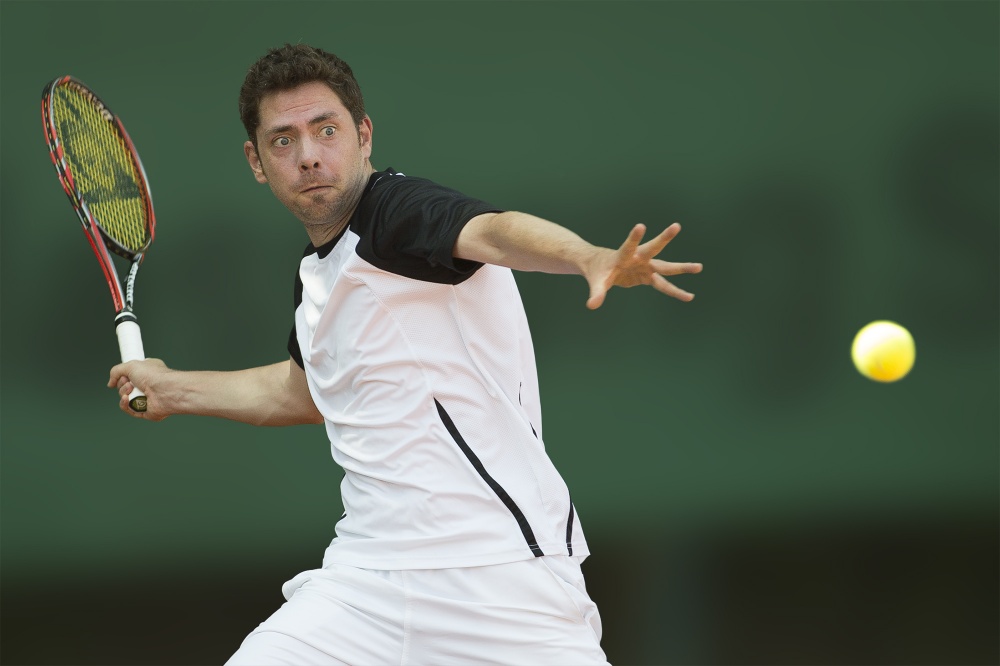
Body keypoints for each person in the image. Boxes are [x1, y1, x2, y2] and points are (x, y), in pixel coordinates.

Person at [109, 43, 702, 665]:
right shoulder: (316, 275)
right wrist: (174, 388)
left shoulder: (398, 212)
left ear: (363, 135)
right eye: (283, 140)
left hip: (500, 580)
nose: (308, 155)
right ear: (257, 161)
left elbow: (494, 232)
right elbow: (301, 392)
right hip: (367, 583)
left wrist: (586, 256)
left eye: (326, 130)